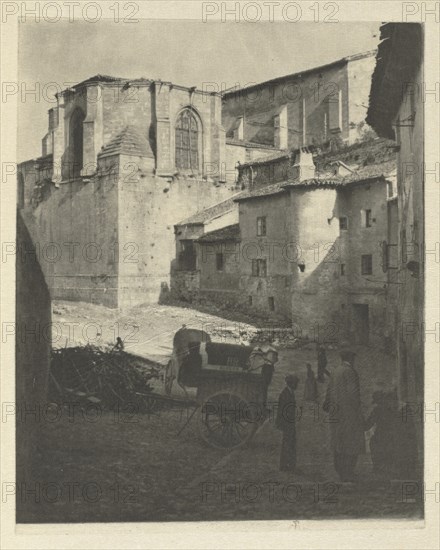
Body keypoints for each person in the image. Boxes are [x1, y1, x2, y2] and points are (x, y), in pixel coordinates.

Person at [323, 345, 365, 482]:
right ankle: (348, 472)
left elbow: (328, 391)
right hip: (349, 414)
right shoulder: (350, 372)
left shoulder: (335, 371)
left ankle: (340, 471)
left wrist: (327, 405)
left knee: (338, 441)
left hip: (335, 413)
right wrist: (359, 412)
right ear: (351, 359)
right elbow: (354, 395)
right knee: (351, 442)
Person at [276, 374, 300, 472]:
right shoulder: (286, 394)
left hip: (289, 423)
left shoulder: (289, 392)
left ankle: (289, 465)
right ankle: (285, 466)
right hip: (287, 423)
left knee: (290, 443)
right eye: (296, 383)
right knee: (288, 444)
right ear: (292, 384)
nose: (297, 385)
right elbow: (282, 411)